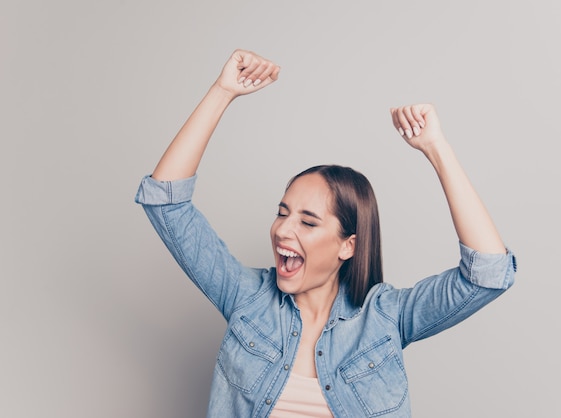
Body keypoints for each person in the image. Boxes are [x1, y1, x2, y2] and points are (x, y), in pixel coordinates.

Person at [135, 49, 516, 418]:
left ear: (348, 246)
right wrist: (222, 92)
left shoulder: (384, 318)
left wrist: (436, 148)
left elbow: (488, 274)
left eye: (308, 221)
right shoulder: (247, 299)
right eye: (282, 213)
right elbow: (165, 203)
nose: (283, 229)